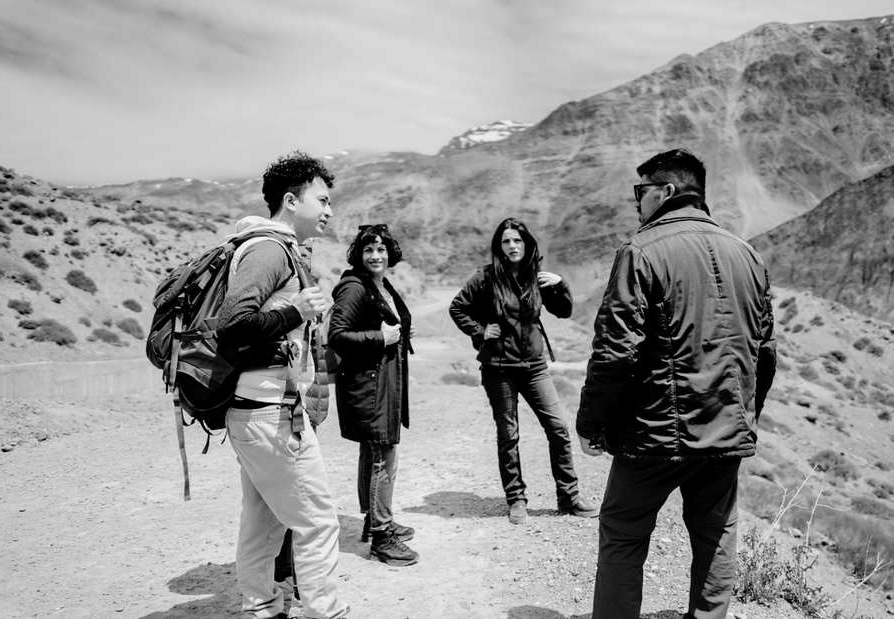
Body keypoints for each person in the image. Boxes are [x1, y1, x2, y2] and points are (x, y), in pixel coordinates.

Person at [575, 148, 776, 619]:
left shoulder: (641, 251)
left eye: (640, 191)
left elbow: (615, 352)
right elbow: (764, 353)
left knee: (624, 531)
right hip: (725, 428)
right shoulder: (748, 255)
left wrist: (591, 424)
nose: (636, 202)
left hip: (654, 435)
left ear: (665, 191)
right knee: (716, 532)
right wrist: (744, 416)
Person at [216, 151, 349, 619]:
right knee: (317, 522)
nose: (329, 209)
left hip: (259, 410)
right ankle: (323, 612)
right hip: (270, 412)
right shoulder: (269, 249)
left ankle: (262, 608)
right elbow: (233, 324)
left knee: (265, 520)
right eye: (322, 199)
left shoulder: (277, 248)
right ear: (291, 201)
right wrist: (297, 312)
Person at [449, 217, 598, 525]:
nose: (512, 245)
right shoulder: (486, 277)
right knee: (509, 435)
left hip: (535, 367)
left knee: (558, 427)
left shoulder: (537, 278)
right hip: (499, 368)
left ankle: (569, 497)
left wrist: (560, 283)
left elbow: (564, 311)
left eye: (517, 240)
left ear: (527, 244)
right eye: (506, 241)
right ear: (499, 246)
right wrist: (480, 330)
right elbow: (457, 307)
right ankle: (516, 499)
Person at [329, 223, 419, 566]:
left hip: (380, 382)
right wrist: (381, 338)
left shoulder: (379, 284)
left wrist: (397, 333)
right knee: (383, 453)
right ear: (359, 254)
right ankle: (382, 537)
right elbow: (337, 335)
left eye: (381, 249)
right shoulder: (354, 287)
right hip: (370, 387)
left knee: (373, 450)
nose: (375, 255)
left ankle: (374, 520)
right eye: (368, 250)